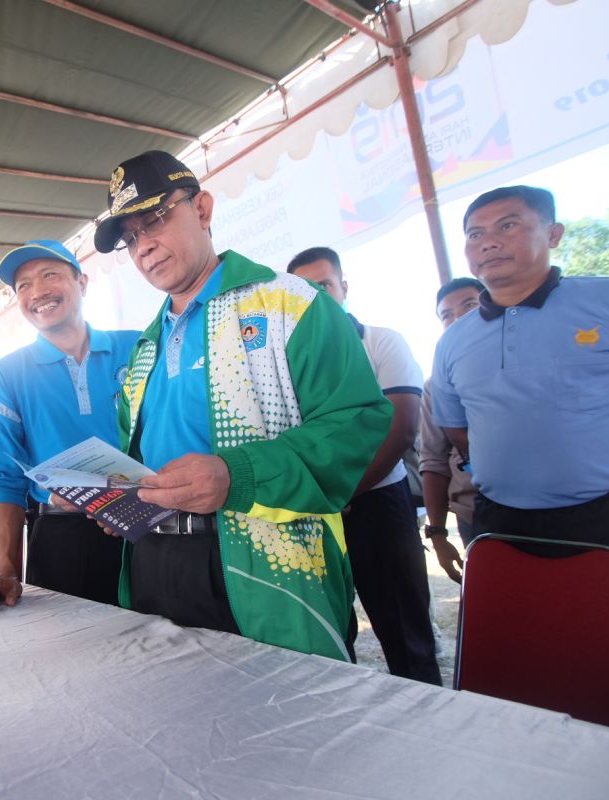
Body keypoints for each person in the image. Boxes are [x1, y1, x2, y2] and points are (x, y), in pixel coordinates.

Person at [89, 150, 392, 660]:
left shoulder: (289, 304)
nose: (144, 246)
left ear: (203, 209)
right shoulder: (144, 348)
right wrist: (121, 501)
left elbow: (356, 422)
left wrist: (238, 475)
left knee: (287, 722)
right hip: (153, 562)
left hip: (266, 570)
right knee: (167, 723)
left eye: (156, 219)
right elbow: (136, 458)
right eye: (131, 237)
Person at [432, 184, 609, 743]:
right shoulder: (454, 343)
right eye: (475, 234)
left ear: (552, 234)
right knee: (538, 670)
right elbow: (457, 429)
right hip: (509, 527)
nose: (488, 243)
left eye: (508, 225)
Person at [0, 240, 138, 614]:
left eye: (50, 275)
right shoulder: (7, 374)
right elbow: (6, 477)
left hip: (148, 529)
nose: (37, 292)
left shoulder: (138, 346)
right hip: (63, 540)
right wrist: (6, 569)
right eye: (23, 285)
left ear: (82, 282)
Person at [288, 246, 440, 684]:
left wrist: (342, 493)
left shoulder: (381, 341)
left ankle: (428, 730)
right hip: (318, 514)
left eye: (325, 286)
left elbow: (401, 429)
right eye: (303, 290)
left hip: (376, 503)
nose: (316, 297)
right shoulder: (287, 360)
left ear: (344, 287)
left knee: (406, 633)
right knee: (332, 630)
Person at [418, 277, 484, 583]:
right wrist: (439, 533)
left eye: (469, 305)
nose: (458, 318)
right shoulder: (436, 386)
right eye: (446, 314)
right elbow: (433, 461)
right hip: (476, 516)